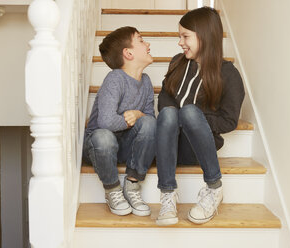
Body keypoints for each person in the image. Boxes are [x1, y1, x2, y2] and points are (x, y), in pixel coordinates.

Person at [155, 7, 245, 225]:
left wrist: (192, 117)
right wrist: (177, 117)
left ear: (205, 36)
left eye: (185, 36)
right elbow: (164, 99)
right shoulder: (178, 61)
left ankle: (214, 188)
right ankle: (167, 194)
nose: (180, 42)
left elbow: (229, 120)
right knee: (168, 113)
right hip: (170, 145)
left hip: (198, 147)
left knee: (189, 112)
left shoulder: (228, 74)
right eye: (179, 36)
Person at [83, 26, 156, 217]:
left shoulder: (146, 82)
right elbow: (106, 122)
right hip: (99, 148)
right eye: (141, 40)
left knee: (149, 124)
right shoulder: (115, 78)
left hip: (125, 146)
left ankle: (132, 186)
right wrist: (130, 120)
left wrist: (139, 115)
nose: (147, 44)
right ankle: (113, 190)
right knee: (103, 137)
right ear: (128, 53)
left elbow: (150, 120)